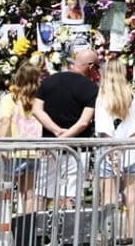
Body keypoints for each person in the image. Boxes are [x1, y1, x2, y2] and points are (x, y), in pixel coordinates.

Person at [32, 48, 99, 208]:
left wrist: (55, 131)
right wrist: (64, 136)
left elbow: (36, 110)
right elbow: (83, 122)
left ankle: (34, 223)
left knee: (42, 194)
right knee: (69, 195)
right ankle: (67, 224)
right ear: (90, 66)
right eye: (96, 67)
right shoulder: (91, 88)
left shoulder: (49, 81)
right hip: (77, 148)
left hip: (49, 147)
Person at [95, 60, 135, 245]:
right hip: (131, 152)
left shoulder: (103, 97)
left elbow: (104, 130)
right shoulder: (133, 96)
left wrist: (113, 154)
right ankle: (132, 237)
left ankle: (108, 239)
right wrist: (127, 144)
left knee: (108, 199)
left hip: (107, 152)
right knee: (131, 198)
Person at [0, 61, 44, 213]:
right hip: (34, 151)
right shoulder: (39, 100)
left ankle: (4, 221)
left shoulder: (10, 99)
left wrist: (0, 144)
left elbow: (5, 121)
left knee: (6, 190)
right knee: (28, 193)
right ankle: (28, 222)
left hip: (13, 151)